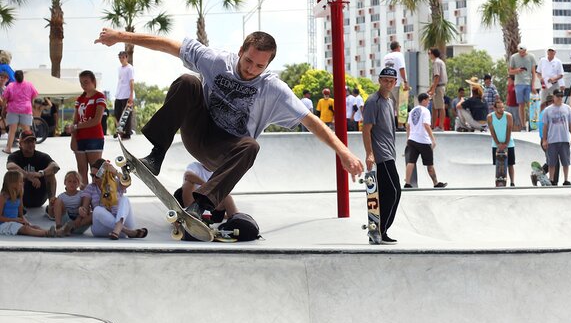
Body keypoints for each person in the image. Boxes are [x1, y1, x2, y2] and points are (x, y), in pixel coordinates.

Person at [93, 28, 363, 218]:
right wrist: (121, 37)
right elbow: (169, 45)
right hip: (197, 130)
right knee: (188, 82)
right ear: (240, 51)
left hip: (223, 151)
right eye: (248, 61)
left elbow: (311, 120)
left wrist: (344, 151)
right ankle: (156, 154)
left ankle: (202, 205)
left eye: (259, 66)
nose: (251, 70)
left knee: (251, 146)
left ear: (268, 65)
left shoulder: (274, 89)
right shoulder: (216, 61)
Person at [362, 67, 401, 243]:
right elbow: (366, 129)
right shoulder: (373, 101)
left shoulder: (390, 101)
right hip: (381, 153)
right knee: (393, 191)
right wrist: (370, 154)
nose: (388, 83)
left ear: (395, 83)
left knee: (389, 193)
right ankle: (379, 231)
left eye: (391, 81)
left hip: (390, 152)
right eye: (385, 80)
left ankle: (378, 231)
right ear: (379, 80)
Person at [77, 158, 147, 239]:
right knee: (97, 210)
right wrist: (82, 210)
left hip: (120, 222)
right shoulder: (90, 187)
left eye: (97, 176)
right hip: (102, 228)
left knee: (125, 199)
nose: (94, 179)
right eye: (92, 175)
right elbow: (85, 208)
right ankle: (127, 231)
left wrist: (115, 172)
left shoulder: (115, 182)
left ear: (105, 174)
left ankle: (118, 229)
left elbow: (127, 183)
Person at [6, 128, 59, 213]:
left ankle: (51, 208)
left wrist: (40, 173)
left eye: (32, 141)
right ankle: (19, 208)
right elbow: (10, 166)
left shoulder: (42, 156)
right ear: (20, 144)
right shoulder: (15, 156)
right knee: (13, 175)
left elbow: (55, 167)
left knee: (51, 174)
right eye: (27, 142)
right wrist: (28, 176)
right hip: (22, 197)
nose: (30, 144)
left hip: (40, 196)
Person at [71, 69, 107, 188]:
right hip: (80, 138)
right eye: (81, 83)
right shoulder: (79, 99)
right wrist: (73, 137)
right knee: (81, 170)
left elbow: (96, 120)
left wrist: (77, 126)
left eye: (86, 82)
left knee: (95, 171)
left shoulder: (100, 97)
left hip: (94, 138)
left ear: (93, 81)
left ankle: (98, 200)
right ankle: (85, 200)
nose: (83, 85)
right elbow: (75, 120)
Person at [403, 92, 446, 189]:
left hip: (412, 140)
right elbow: (426, 125)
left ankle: (407, 183)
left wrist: (408, 139)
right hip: (423, 141)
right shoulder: (426, 111)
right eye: (428, 100)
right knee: (430, 164)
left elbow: (408, 126)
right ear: (424, 100)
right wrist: (433, 139)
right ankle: (435, 183)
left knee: (411, 162)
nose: (429, 102)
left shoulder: (413, 111)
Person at [0, 171, 56, 237]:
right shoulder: (3, 197)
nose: (23, 183)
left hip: (15, 222)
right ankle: (46, 233)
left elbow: (21, 215)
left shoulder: (19, 196)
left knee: (33, 226)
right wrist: (14, 220)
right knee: (25, 229)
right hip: (4, 225)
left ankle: (52, 232)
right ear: (12, 183)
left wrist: (25, 221)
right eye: (20, 181)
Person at [540, 88, 571, 185]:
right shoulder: (548, 110)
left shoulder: (567, 108)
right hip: (552, 139)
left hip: (564, 139)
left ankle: (566, 179)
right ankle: (551, 179)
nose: (560, 98)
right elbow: (545, 126)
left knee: (566, 161)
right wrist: (544, 140)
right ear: (554, 97)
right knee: (552, 162)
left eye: (561, 96)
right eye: (558, 96)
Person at [2, 70, 39, 155]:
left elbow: (5, 99)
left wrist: (3, 108)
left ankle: (8, 148)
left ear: (14, 77)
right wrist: (30, 103)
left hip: (13, 109)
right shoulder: (29, 85)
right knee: (27, 130)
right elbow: (34, 95)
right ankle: (31, 148)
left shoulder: (10, 86)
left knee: (12, 130)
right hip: (26, 109)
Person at [488, 96, 515, 186]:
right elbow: (492, 131)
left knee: (510, 164)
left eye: (502, 107)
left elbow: (509, 130)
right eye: (499, 107)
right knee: (499, 164)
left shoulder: (508, 116)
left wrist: (506, 143)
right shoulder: (490, 117)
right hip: (496, 144)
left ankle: (512, 182)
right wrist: (498, 144)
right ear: (494, 108)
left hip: (509, 144)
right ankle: (499, 181)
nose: (501, 109)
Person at [51, 170, 90, 235]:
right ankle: (59, 228)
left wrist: (79, 218)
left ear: (79, 183)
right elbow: (51, 214)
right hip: (66, 221)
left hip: (78, 222)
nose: (72, 184)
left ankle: (70, 229)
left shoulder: (82, 194)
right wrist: (51, 205)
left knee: (90, 211)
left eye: (74, 182)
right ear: (65, 182)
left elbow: (86, 207)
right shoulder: (61, 196)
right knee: (57, 201)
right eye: (69, 181)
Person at [509, 44, 537, 127]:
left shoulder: (531, 56)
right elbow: (510, 71)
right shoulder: (514, 57)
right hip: (518, 83)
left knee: (530, 104)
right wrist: (518, 70)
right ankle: (523, 125)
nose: (522, 53)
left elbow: (533, 72)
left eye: (523, 52)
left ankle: (533, 124)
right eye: (520, 52)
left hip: (528, 83)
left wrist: (533, 85)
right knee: (521, 105)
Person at [382, 41, 409, 123]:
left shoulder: (386, 57)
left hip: (388, 85)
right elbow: (401, 68)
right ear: (398, 47)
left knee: (390, 106)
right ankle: (401, 125)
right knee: (401, 105)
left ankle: (391, 124)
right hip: (398, 83)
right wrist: (405, 81)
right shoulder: (399, 55)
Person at [113, 50, 135, 139]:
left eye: (123, 57)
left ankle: (127, 133)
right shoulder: (119, 68)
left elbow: (131, 81)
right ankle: (119, 131)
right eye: (120, 57)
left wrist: (131, 95)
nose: (121, 59)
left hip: (127, 94)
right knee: (117, 114)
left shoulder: (130, 68)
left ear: (127, 58)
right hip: (119, 94)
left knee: (126, 114)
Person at [427, 47, 448, 130]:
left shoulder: (436, 62)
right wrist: (431, 88)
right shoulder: (440, 62)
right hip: (438, 86)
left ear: (433, 54)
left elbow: (437, 76)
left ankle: (440, 126)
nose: (429, 55)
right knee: (434, 107)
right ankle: (433, 125)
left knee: (440, 106)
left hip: (439, 87)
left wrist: (433, 89)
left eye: (429, 53)